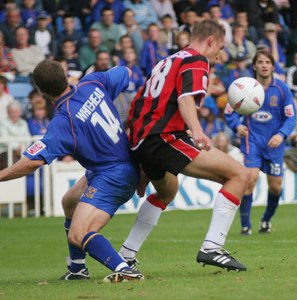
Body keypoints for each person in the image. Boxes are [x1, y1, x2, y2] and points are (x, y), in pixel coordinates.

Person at [122, 19, 250, 272]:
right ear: (210, 40)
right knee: (239, 174)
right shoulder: (196, 59)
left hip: (144, 140)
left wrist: (140, 154)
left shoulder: (167, 61)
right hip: (164, 138)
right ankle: (212, 248)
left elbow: (141, 101)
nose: (219, 54)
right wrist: (199, 131)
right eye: (220, 47)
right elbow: (185, 99)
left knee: (167, 192)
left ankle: (125, 254)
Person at [0, 60, 144, 282]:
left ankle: (125, 269)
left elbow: (32, 161)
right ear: (66, 75)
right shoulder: (92, 82)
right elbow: (126, 71)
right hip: (116, 164)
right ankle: (77, 269)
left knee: (79, 233)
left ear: (41, 90)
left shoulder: (62, 122)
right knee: (69, 201)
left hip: (113, 174)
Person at [225, 49, 297, 235]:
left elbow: (291, 118)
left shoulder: (282, 89)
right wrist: (236, 126)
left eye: (267, 62)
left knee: (275, 187)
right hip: (252, 140)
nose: (264, 65)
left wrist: (281, 135)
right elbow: (228, 111)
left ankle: (265, 220)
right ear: (255, 66)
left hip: (275, 144)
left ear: (273, 66)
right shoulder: (244, 86)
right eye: (260, 62)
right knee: (250, 179)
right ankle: (245, 225)